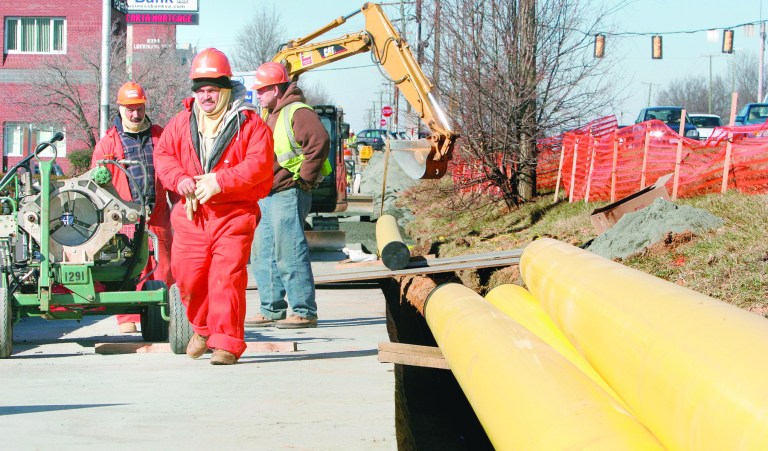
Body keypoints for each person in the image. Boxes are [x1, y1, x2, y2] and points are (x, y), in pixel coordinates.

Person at [154, 48, 274, 365]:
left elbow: (259, 166)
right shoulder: (180, 124)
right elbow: (163, 156)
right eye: (201, 90)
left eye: (212, 90)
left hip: (233, 214)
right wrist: (179, 179)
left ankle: (227, 343)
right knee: (188, 277)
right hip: (191, 215)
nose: (206, 96)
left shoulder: (250, 125)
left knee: (227, 277)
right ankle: (204, 328)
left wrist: (221, 181)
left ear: (225, 89)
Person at [244, 62, 330, 329]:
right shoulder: (271, 113)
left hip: (288, 192)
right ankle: (271, 309)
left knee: (289, 251)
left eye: (262, 89)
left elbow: (319, 142)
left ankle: (304, 309)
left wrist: (304, 179)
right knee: (263, 253)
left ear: (276, 88)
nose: (258, 94)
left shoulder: (297, 112)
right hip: (267, 193)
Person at [91, 81, 174, 334]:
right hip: (125, 218)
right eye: (130, 109)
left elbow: (173, 170)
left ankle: (163, 312)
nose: (135, 114)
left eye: (138, 108)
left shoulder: (160, 136)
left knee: (164, 267)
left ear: (144, 106)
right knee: (126, 267)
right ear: (120, 108)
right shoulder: (108, 142)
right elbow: (95, 181)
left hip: (157, 214)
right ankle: (126, 316)